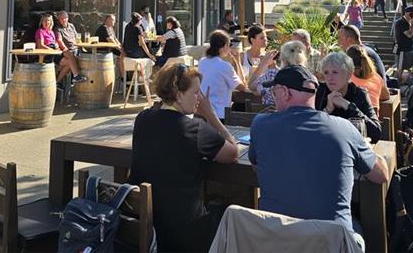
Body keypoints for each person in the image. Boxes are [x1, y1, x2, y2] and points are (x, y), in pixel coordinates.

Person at [250, 64, 388, 250]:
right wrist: (363, 147)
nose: (274, 98)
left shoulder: (260, 125)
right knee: (357, 223)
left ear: (285, 92)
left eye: (274, 92)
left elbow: (255, 161)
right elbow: (381, 175)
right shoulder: (344, 128)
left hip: (276, 241)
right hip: (331, 243)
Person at [129, 64, 239, 252]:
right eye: (196, 93)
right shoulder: (194, 129)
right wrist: (211, 115)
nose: (200, 99)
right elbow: (233, 152)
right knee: (226, 212)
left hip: (141, 224)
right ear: (178, 94)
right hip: (184, 232)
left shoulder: (143, 118)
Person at [315, 52, 382, 143]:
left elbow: (376, 133)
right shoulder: (319, 92)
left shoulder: (359, 94)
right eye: (326, 73)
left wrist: (348, 105)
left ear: (349, 74)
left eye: (335, 72)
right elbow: (311, 131)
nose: (330, 78)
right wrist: (327, 110)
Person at [198, 30, 247, 119]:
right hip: (219, 115)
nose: (229, 49)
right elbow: (243, 87)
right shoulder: (224, 66)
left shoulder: (202, 62)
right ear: (224, 47)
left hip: (201, 112)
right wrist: (237, 62)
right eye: (229, 45)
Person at [255, 40, 304, 107]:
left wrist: (263, 63)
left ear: (283, 59)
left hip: (276, 113)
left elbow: (255, 87)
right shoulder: (309, 78)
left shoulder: (275, 75)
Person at [346, 45, 390, 109]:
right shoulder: (377, 77)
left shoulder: (347, 78)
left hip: (351, 117)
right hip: (373, 117)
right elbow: (386, 96)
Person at [54, 11, 87, 87]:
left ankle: (58, 81)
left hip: (76, 49)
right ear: (58, 20)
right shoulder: (57, 29)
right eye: (61, 19)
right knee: (71, 56)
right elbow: (59, 41)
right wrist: (65, 49)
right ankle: (75, 76)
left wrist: (81, 45)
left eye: (65, 18)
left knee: (76, 60)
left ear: (68, 18)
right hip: (66, 51)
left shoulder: (71, 26)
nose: (63, 20)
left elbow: (76, 37)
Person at [95, 14, 124, 78]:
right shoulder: (104, 28)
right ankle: (123, 77)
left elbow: (115, 39)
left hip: (110, 49)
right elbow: (111, 40)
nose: (114, 22)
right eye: (113, 20)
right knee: (122, 55)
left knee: (123, 55)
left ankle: (123, 75)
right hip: (103, 50)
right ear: (108, 20)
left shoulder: (110, 28)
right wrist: (120, 50)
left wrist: (122, 48)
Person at [394, 6, 413, 75]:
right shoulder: (401, 22)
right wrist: (412, 25)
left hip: (409, 48)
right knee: (400, 68)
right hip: (402, 49)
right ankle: (398, 83)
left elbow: (412, 34)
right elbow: (409, 35)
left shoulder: (408, 22)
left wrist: (412, 25)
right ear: (407, 13)